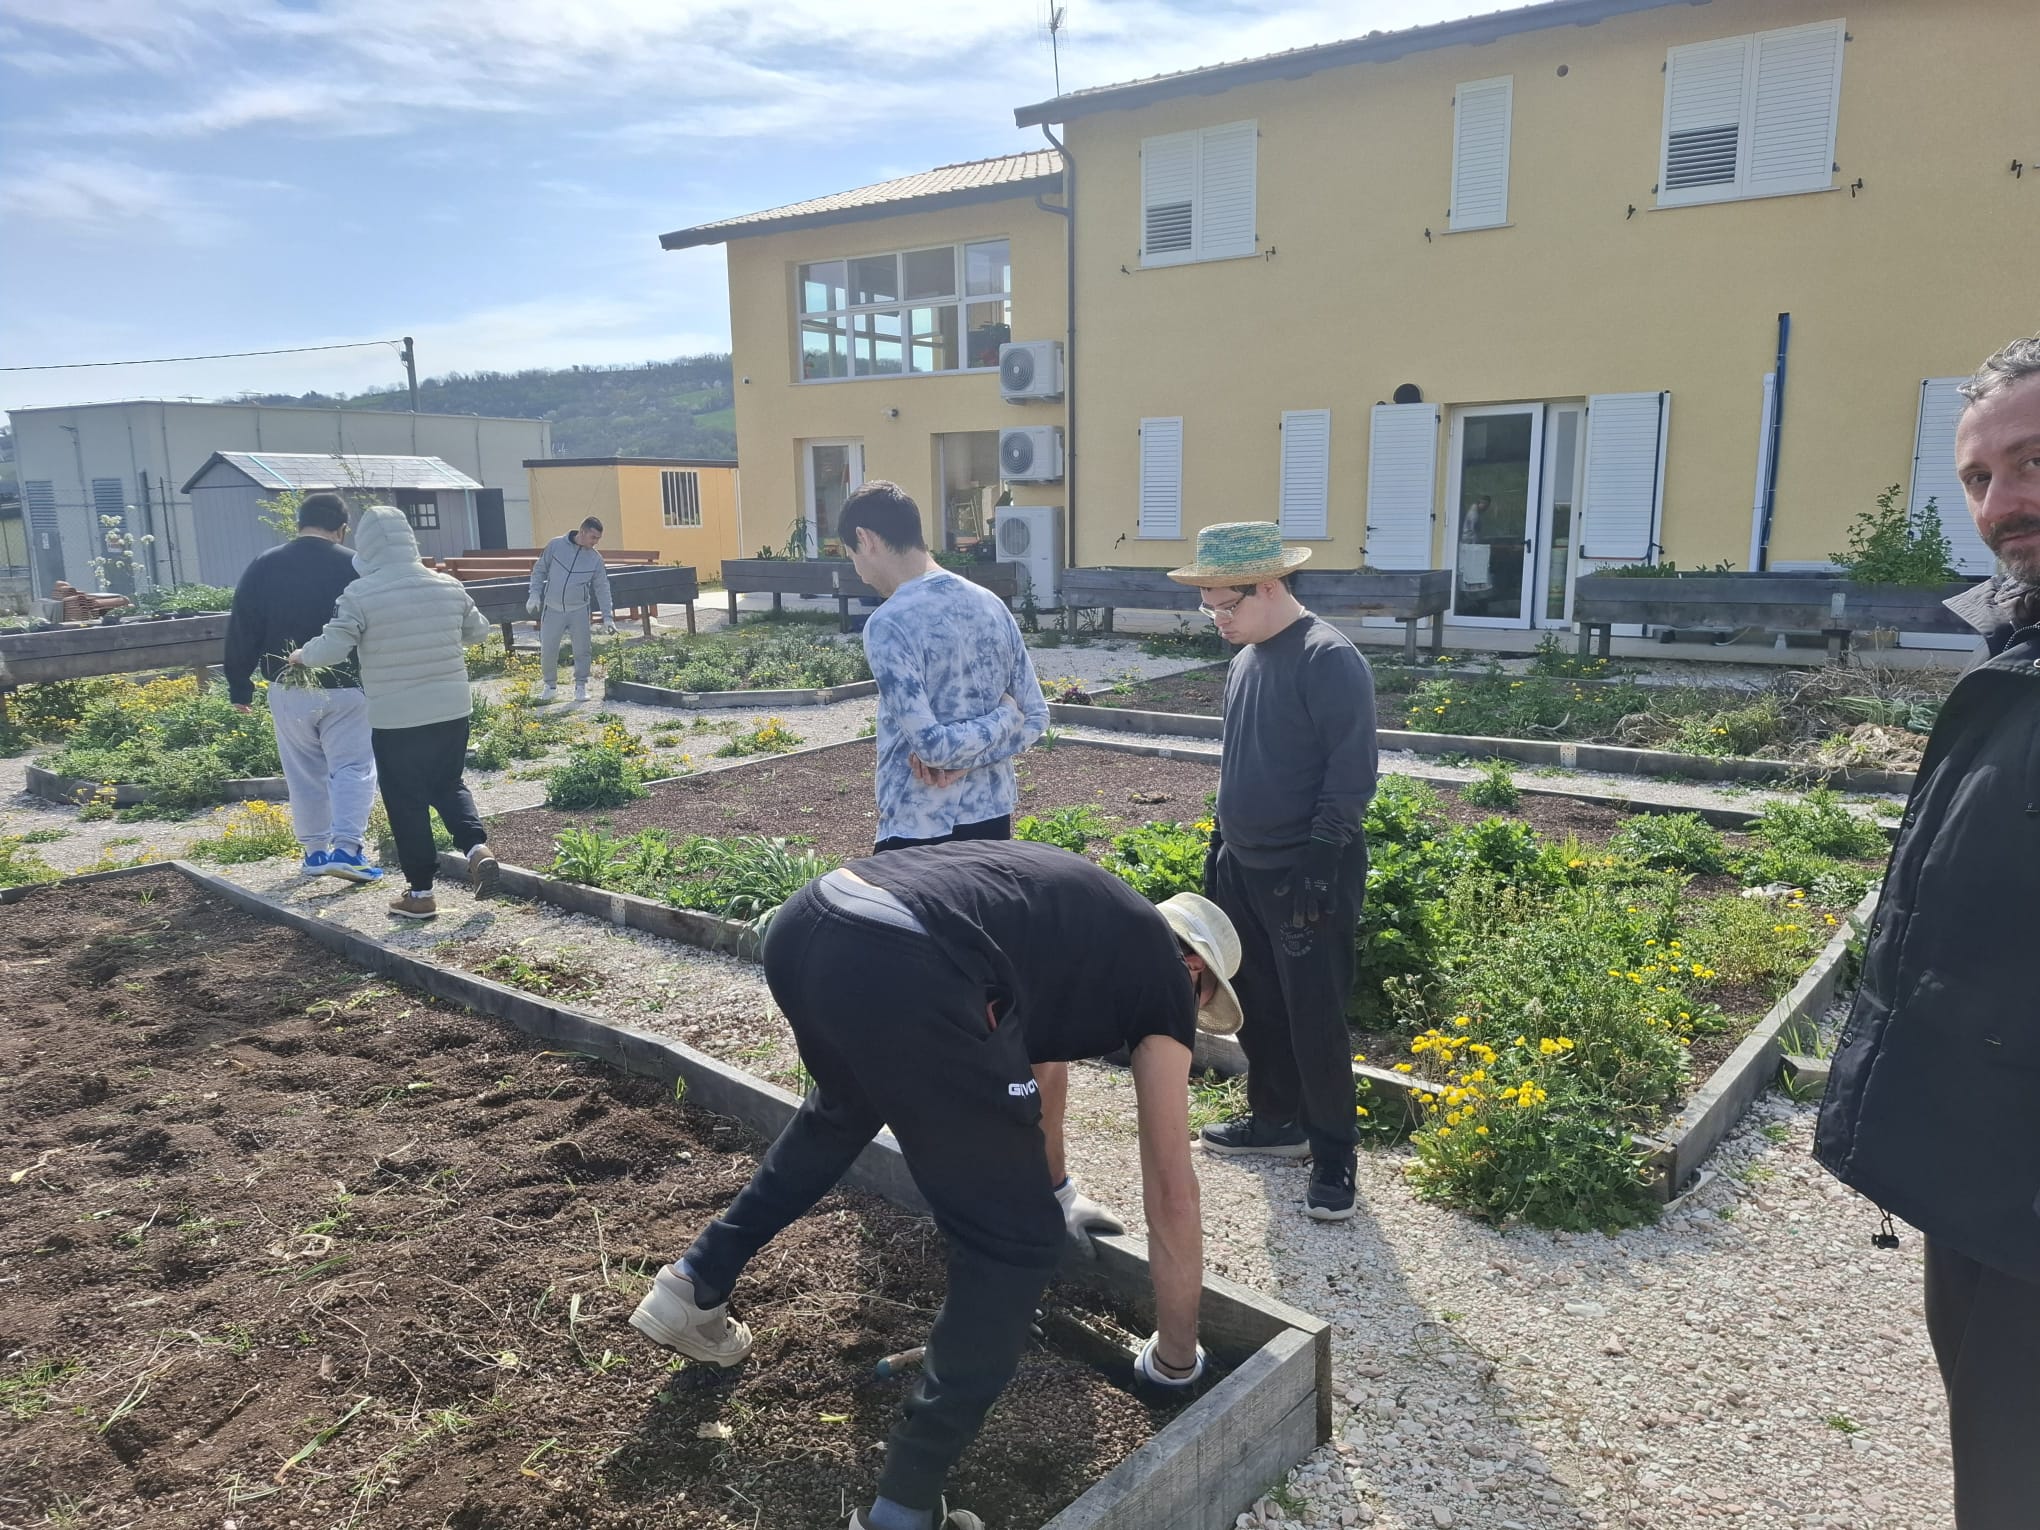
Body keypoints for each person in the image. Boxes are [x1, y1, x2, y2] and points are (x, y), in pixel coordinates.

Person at [628, 840, 1241, 1530]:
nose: (1190, 1021)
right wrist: (1174, 1363)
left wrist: (1055, 1189)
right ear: (1191, 967)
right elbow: (1170, 1183)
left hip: (813, 922)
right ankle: (904, 1509)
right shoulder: (1162, 976)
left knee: (842, 1113)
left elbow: (1033, 1074)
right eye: (1200, 1004)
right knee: (1013, 1246)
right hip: (907, 958)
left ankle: (693, 1284)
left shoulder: (1082, 923)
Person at [1815, 335, 2040, 1530]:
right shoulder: (2018, 645)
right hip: (1989, 1181)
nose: (2004, 504)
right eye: (1979, 477)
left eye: (2035, 461)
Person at [1167, 521, 1378, 1223]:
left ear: (1268, 585)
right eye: (1209, 609)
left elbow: (1351, 772)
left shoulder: (1327, 658)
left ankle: (1335, 1154)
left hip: (1305, 870)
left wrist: (1323, 853)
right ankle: (1277, 1121)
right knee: (1255, 1002)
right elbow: (1241, 760)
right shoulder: (1248, 656)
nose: (1217, 620)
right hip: (1243, 865)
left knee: (1314, 1014)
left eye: (1226, 605)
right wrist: (1220, 843)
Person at [292, 504, 500, 921]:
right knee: (448, 783)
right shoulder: (447, 585)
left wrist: (301, 656)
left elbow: (333, 647)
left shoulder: (360, 594)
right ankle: (477, 849)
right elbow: (478, 632)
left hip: (396, 716)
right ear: (411, 541)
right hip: (451, 707)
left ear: (365, 548)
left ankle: (421, 894)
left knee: (406, 800)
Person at [838, 480, 1048, 852]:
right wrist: (1004, 719)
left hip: (916, 826)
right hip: (992, 820)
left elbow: (932, 747)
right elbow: (1032, 718)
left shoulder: (889, 623)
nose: (856, 568)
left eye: (851, 553)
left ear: (865, 538)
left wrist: (956, 756)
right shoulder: (990, 605)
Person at [222, 491, 380, 882]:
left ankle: (314, 853)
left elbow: (243, 626)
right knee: (353, 767)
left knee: (304, 771)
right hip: (348, 684)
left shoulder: (264, 565)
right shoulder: (357, 566)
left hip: (286, 685)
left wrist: (239, 686)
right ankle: (347, 848)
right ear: (342, 529)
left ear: (299, 523)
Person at [525, 516, 617, 703]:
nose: (595, 542)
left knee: (582, 649)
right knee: (549, 648)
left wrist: (608, 617)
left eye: (598, 538)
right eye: (593, 537)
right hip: (553, 608)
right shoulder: (555, 545)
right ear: (582, 532)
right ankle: (550, 686)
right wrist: (534, 594)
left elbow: (602, 587)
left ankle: (581, 686)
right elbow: (539, 570)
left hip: (579, 610)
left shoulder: (595, 559)